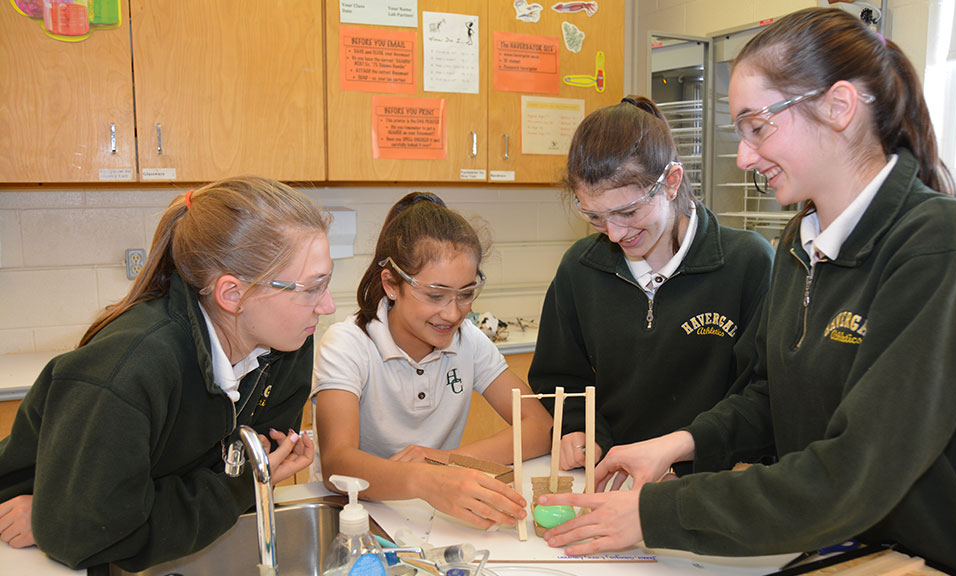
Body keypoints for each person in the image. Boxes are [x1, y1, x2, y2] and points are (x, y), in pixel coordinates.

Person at [538, 8, 956, 576]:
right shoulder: (801, 241)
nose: (744, 156)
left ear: (839, 107)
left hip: (932, 557)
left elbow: (851, 473)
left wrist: (653, 512)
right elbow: (771, 399)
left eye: (758, 126)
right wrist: (678, 443)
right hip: (832, 543)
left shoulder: (939, 246)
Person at [0, 176, 332, 571]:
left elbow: (245, 465)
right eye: (312, 288)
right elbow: (89, 533)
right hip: (29, 546)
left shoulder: (288, 342)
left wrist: (248, 479)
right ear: (233, 294)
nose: (326, 305)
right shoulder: (130, 368)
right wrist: (241, 485)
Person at [529, 95, 774, 473]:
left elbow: (760, 397)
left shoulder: (747, 264)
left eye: (628, 212)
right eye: (594, 217)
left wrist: (690, 460)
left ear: (671, 182)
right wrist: (579, 429)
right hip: (612, 477)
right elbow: (560, 377)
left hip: (710, 483)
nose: (613, 233)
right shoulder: (580, 269)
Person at [312, 192, 552, 530]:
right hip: (357, 514)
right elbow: (337, 465)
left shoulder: (469, 341)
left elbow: (542, 427)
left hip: (433, 513)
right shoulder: (348, 344)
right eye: (435, 296)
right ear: (392, 284)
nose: (453, 313)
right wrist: (425, 479)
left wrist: (446, 462)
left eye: (466, 294)